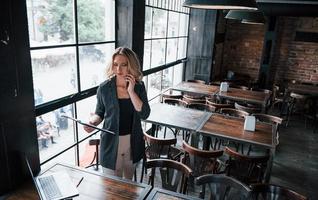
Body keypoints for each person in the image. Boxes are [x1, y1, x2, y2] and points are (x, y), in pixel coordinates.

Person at [83, 47, 150, 180]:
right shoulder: (104, 88)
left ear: (131, 66)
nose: (119, 70)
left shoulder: (139, 87)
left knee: (129, 184)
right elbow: (100, 112)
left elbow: (144, 114)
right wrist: (92, 122)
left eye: (124, 65)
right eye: (115, 65)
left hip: (132, 141)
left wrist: (131, 91)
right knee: (111, 185)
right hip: (110, 142)